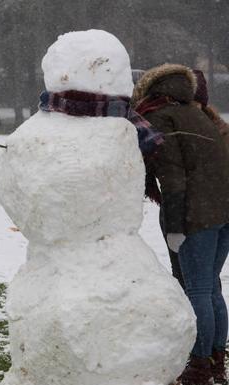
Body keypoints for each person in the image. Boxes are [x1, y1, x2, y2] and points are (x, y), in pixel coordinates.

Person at [132, 63, 229, 385]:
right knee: (211, 288)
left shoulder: (161, 119)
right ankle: (216, 362)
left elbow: (172, 178)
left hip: (195, 214)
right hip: (222, 212)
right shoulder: (199, 114)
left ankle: (199, 365)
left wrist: (174, 226)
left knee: (198, 289)